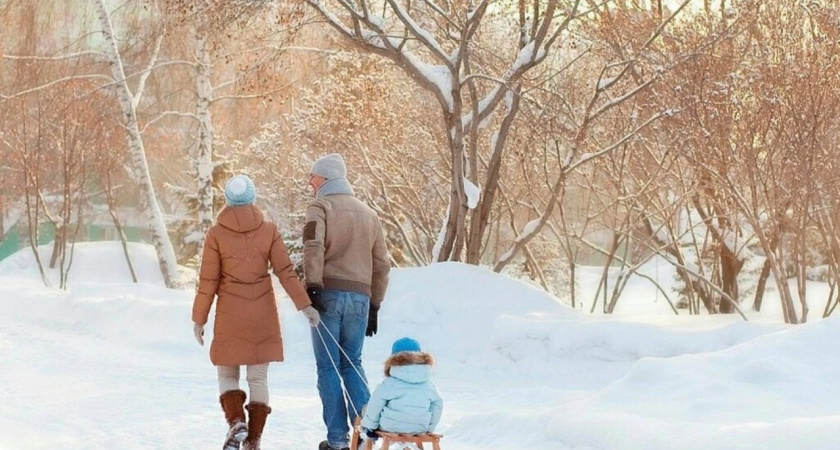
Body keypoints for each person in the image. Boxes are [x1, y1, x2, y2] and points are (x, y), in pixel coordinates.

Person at [192, 174, 321, 450]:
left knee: (227, 375)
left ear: (227, 199)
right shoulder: (269, 230)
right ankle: (254, 439)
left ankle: (237, 422)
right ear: (252, 197)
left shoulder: (216, 234)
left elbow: (208, 282)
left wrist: (199, 318)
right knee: (258, 378)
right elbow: (285, 271)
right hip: (263, 314)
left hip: (230, 315)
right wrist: (305, 305)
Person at [303, 153, 391, 450]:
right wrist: (375, 304)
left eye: (313, 176)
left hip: (327, 295)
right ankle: (367, 431)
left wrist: (312, 286)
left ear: (326, 178)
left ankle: (339, 441)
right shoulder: (369, 213)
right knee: (352, 362)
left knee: (328, 367)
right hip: (360, 299)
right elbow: (382, 264)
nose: (309, 181)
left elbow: (312, 246)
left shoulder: (320, 206)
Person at [360, 337, 443, 437]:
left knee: (367, 408)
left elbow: (375, 404)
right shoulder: (429, 384)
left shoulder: (390, 383)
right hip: (419, 427)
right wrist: (429, 428)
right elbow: (437, 405)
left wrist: (370, 426)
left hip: (390, 426)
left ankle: (365, 440)